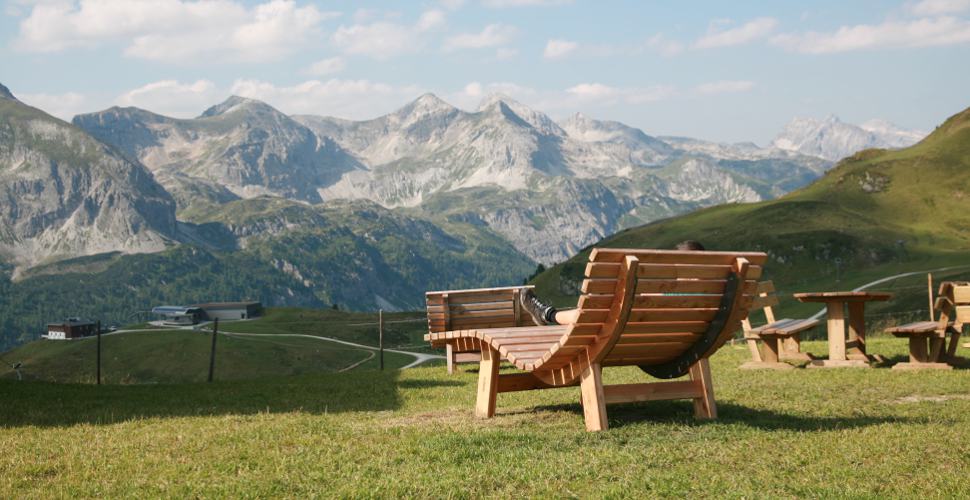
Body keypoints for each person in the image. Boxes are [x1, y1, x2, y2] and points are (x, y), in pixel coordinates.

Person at [520, 240, 706, 326]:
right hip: (684, 343)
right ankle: (547, 313)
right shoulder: (713, 293)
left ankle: (547, 314)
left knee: (594, 315)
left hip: (631, 335)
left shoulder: (672, 294)